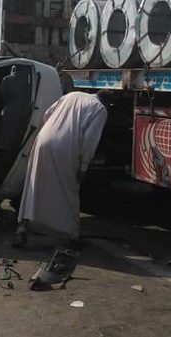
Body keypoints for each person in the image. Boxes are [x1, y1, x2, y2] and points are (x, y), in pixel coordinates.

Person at [13, 90, 114, 247]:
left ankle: (22, 228)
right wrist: (83, 167)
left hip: (43, 140)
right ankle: (73, 235)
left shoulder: (72, 95)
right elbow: (90, 140)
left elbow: (47, 114)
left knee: (34, 187)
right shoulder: (100, 109)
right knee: (69, 189)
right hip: (66, 147)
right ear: (108, 103)